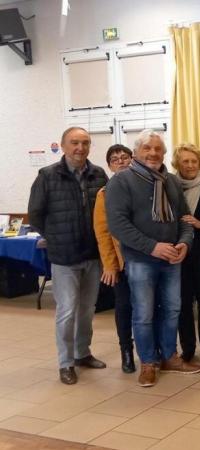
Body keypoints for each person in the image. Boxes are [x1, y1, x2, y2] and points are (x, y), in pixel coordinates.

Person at [106, 129, 200, 387]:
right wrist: (152, 247)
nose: (153, 153)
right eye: (147, 148)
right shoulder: (121, 182)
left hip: (172, 259)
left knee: (172, 310)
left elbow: (184, 218)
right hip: (140, 260)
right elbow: (118, 225)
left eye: (158, 149)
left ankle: (169, 356)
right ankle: (148, 362)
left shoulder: (169, 181)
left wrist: (184, 243)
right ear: (135, 152)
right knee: (144, 314)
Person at [28, 127, 109, 385]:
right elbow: (36, 214)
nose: (80, 148)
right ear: (63, 146)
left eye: (85, 143)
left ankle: (82, 353)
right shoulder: (47, 175)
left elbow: (106, 212)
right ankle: (65, 363)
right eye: (74, 143)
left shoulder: (99, 175)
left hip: (92, 255)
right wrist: (56, 236)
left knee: (87, 310)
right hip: (64, 257)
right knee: (67, 311)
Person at [171, 143, 200, 363]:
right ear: (177, 164)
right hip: (178, 256)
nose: (190, 165)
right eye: (185, 161)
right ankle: (188, 348)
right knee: (182, 305)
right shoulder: (169, 188)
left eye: (193, 161)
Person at [94, 144, 135, 373]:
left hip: (147, 259)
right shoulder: (105, 194)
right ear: (109, 165)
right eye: (115, 159)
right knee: (124, 307)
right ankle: (126, 351)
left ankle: (154, 350)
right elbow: (103, 233)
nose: (120, 161)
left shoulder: (144, 186)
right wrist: (110, 265)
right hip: (121, 262)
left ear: (132, 159)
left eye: (124, 157)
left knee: (150, 308)